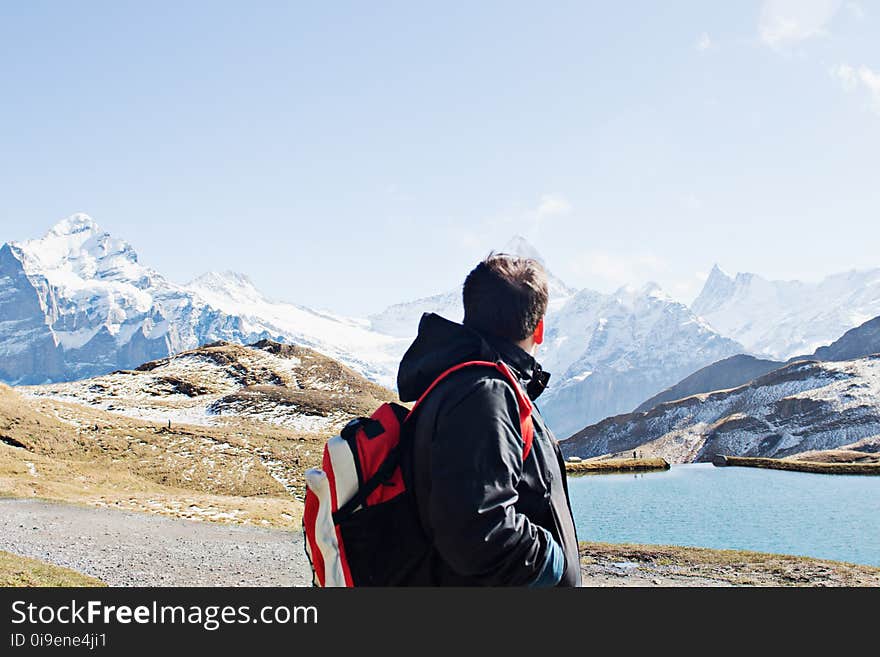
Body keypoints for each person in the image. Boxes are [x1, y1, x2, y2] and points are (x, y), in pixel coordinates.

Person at [396, 253, 581, 586]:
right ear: (539, 329)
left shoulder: (471, 385)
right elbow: (477, 530)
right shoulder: (485, 394)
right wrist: (555, 563)